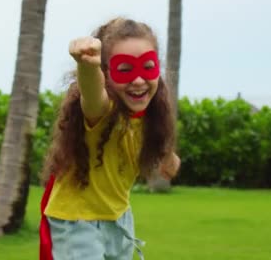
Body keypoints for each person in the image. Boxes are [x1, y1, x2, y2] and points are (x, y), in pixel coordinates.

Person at [39, 17, 181, 260]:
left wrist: (168, 157)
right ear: (105, 74)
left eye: (147, 67)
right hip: (78, 221)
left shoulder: (150, 117)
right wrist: (88, 65)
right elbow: (92, 94)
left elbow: (158, 144)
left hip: (118, 219)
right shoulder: (102, 111)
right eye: (125, 70)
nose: (138, 80)